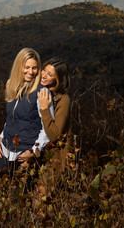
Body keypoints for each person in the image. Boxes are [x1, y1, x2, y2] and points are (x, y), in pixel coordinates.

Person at [0, 48, 52, 177]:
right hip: (4, 151)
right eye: (26, 67)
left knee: (21, 194)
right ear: (19, 66)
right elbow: (11, 117)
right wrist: (1, 139)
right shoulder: (12, 86)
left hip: (24, 155)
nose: (30, 72)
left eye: (34, 68)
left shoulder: (42, 92)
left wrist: (33, 151)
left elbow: (47, 127)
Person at [37, 57, 71, 190]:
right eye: (44, 70)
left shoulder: (63, 100)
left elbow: (56, 136)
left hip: (53, 158)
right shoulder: (41, 92)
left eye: (50, 74)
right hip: (37, 153)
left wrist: (45, 109)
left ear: (58, 79)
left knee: (43, 197)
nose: (44, 75)